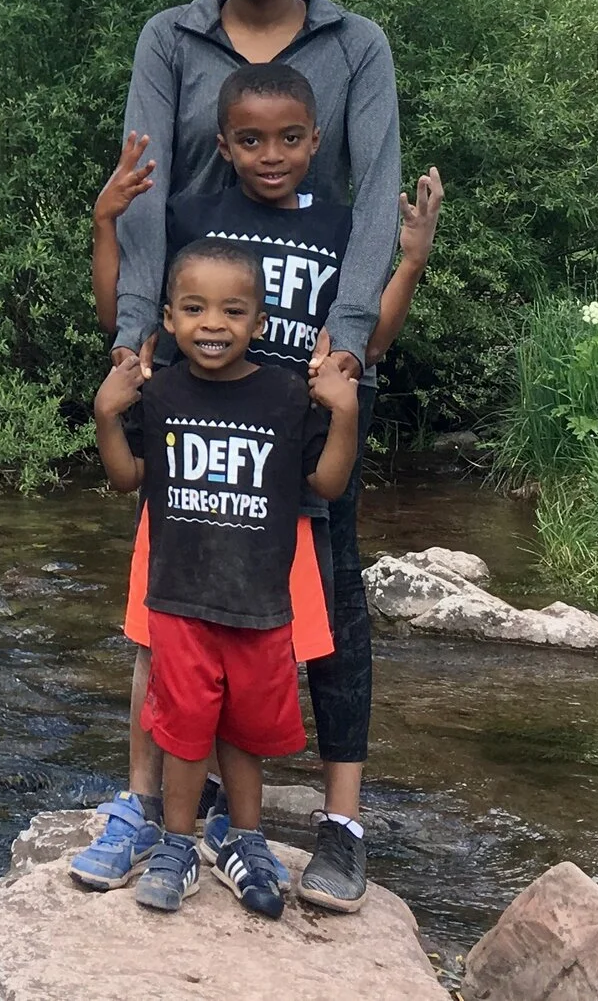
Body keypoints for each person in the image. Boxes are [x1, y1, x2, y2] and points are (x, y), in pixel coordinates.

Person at [90, 0, 408, 906]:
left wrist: (349, 346)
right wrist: (137, 337)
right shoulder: (167, 38)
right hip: (197, 367)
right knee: (174, 603)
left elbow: (374, 202)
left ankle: (340, 822)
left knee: (328, 604)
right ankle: (170, 815)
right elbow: (141, 194)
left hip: (306, 377)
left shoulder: (354, 44)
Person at [81, 89, 441, 911]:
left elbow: (365, 341)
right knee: (162, 657)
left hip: (278, 496)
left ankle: (243, 834)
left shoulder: (336, 232)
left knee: (258, 676)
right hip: (185, 506)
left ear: (316, 141)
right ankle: (155, 821)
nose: (270, 153)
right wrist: (107, 224)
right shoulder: (188, 220)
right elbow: (128, 313)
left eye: (288, 138)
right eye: (250, 137)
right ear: (223, 142)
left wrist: (410, 260)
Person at [91, 240, 361, 919]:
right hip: (179, 600)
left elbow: (325, 483)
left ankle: (247, 840)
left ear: (260, 323)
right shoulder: (163, 392)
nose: (213, 323)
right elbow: (129, 479)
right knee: (184, 731)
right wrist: (105, 415)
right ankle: (177, 846)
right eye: (194, 308)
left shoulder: (284, 394)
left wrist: (345, 413)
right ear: (170, 320)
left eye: (232, 309)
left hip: (262, 605)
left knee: (242, 734)